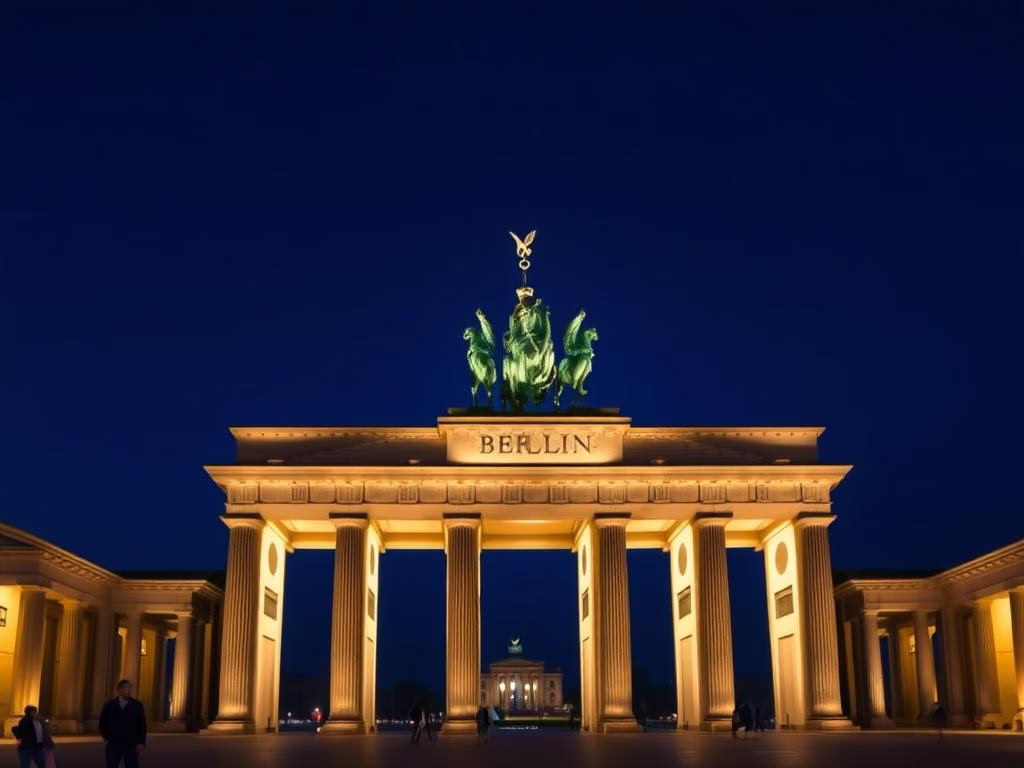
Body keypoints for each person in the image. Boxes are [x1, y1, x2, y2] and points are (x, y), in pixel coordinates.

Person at [99, 679, 147, 768]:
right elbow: (102, 723)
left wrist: (141, 742)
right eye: (127, 688)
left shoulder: (137, 705)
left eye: (130, 688)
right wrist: (106, 738)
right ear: (119, 690)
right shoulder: (109, 705)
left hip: (131, 744)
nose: (129, 690)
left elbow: (142, 725)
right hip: (113, 744)